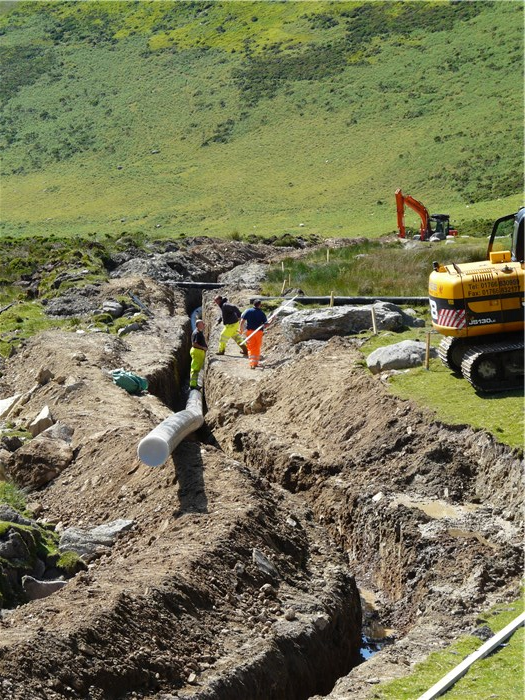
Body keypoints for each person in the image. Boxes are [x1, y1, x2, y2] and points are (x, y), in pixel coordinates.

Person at [239, 299, 269, 369]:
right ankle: (256, 363)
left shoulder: (248, 311)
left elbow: (242, 321)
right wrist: (272, 320)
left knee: (251, 347)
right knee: (257, 347)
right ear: (260, 305)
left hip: (250, 332)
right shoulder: (262, 313)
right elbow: (266, 325)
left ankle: (252, 363)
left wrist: (241, 330)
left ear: (253, 304)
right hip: (258, 332)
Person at [189, 319, 207, 389]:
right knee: (195, 369)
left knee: (197, 368)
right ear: (199, 325)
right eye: (203, 323)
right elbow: (194, 344)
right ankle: (193, 385)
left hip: (199, 352)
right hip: (197, 351)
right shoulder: (196, 333)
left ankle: (195, 383)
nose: (204, 324)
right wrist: (203, 347)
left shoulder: (199, 332)